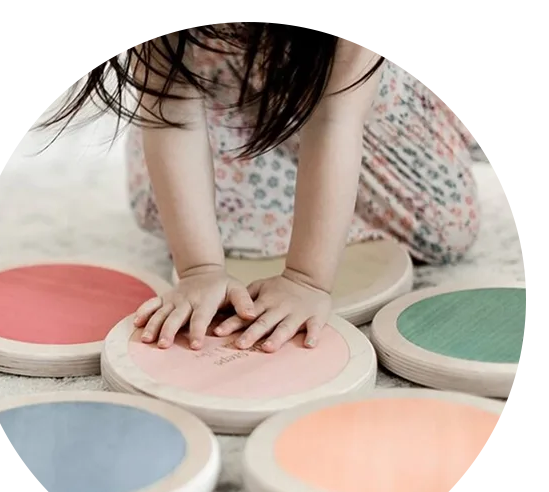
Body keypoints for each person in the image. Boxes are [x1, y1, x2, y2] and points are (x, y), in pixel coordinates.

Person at [40, 22, 480, 354]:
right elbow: (170, 111)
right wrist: (199, 269)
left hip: (338, 87)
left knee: (445, 231)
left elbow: (334, 119)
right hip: (226, 99)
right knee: (167, 208)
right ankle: (261, 172)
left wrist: (306, 280)